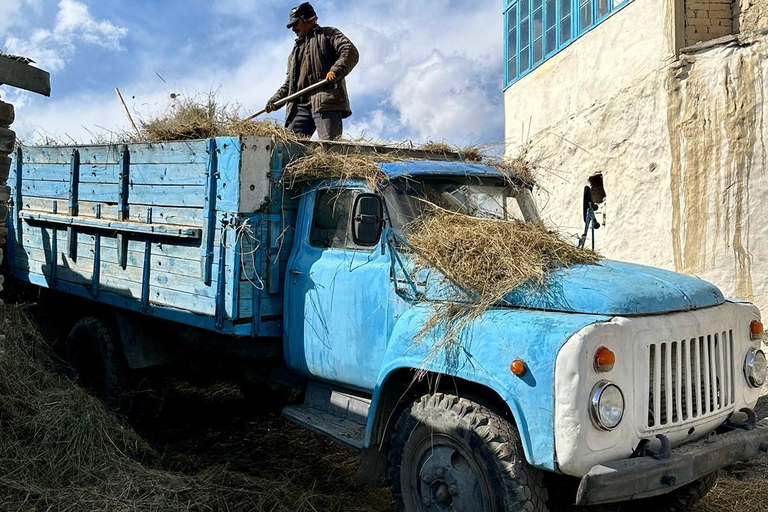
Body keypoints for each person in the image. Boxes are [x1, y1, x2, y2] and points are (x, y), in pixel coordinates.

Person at [265, 2, 359, 140]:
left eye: (296, 23)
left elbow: (350, 51)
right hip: (299, 106)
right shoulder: (294, 53)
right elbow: (289, 84)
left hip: (325, 100)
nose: (293, 29)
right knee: (288, 147)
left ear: (308, 19)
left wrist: (336, 71)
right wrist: (276, 99)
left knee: (330, 147)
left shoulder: (328, 34)